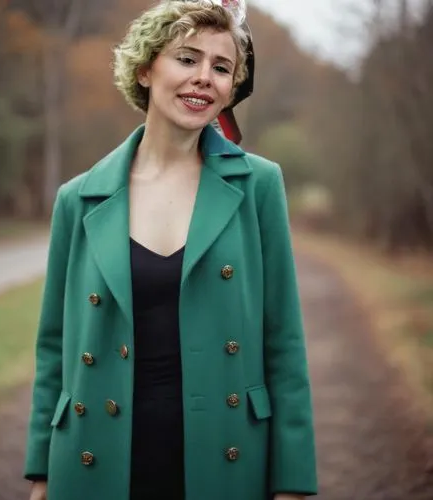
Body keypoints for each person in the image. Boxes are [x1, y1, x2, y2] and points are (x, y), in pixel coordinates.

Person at [24, 1, 318, 499]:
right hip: (95, 459)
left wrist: (292, 484)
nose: (204, 77)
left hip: (225, 458)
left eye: (221, 67)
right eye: (187, 59)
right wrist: (40, 475)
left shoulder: (258, 186)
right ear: (145, 69)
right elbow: (54, 350)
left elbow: (283, 344)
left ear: (230, 88)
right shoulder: (79, 198)